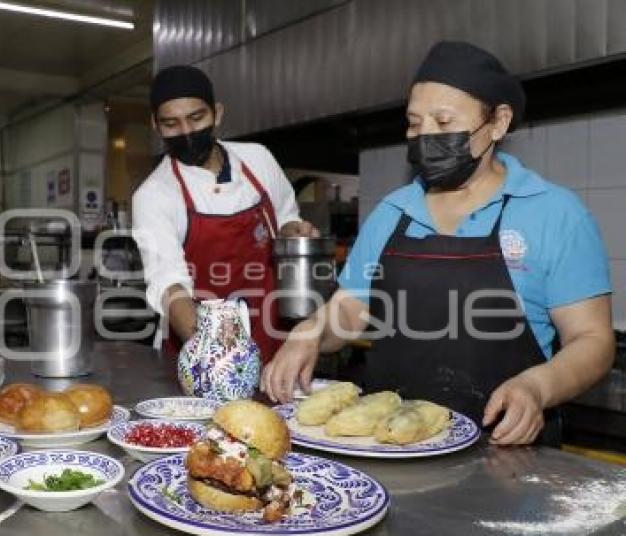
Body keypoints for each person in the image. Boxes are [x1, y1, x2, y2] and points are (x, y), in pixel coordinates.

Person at [262, 41, 614, 446]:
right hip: (388, 446)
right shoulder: (393, 211)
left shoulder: (554, 213)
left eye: (444, 122)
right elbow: (350, 308)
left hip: (506, 456)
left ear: (498, 122)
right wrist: (309, 331)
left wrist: (538, 387)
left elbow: (592, 340)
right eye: (414, 124)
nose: (425, 135)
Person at [132, 65, 318, 362]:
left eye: (196, 118)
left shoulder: (258, 160)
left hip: (269, 333)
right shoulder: (154, 195)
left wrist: (292, 229)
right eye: (171, 124)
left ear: (217, 113)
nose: (187, 132)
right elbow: (169, 284)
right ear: (156, 126)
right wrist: (213, 354)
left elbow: (285, 216)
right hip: (195, 345)